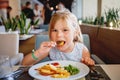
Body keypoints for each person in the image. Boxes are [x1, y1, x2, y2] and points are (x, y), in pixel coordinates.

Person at [22, 11, 95, 66]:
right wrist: (38, 53)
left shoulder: (82, 50)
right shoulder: (51, 50)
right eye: (55, 30)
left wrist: (88, 63)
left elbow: (87, 69)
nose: (59, 35)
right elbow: (24, 64)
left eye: (65, 30)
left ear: (75, 33)